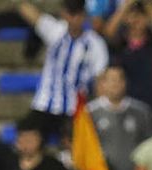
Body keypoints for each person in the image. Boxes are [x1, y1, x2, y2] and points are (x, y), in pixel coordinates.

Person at [27, 0, 110, 138]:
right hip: (44, 103)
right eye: (71, 14)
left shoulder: (96, 44)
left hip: (75, 108)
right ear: (64, 14)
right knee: (27, 135)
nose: (75, 19)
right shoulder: (55, 30)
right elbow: (31, 14)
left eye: (78, 15)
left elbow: (100, 79)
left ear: (84, 15)